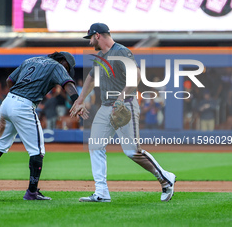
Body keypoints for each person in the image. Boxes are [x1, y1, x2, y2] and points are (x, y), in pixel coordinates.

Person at [71, 23, 176, 202]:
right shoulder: (101, 56)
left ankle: (166, 179)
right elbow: (91, 78)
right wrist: (79, 101)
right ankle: (101, 192)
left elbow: (136, 75)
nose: (89, 42)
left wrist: (120, 97)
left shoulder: (120, 51)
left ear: (97, 35)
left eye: (90, 37)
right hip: (105, 107)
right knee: (95, 145)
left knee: (132, 151)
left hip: (124, 105)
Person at [0, 51, 87, 200]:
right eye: (67, 66)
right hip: (23, 106)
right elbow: (69, 85)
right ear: (62, 60)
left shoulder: (31, 60)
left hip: (7, 103)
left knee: (0, 144)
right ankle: (32, 192)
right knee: (37, 150)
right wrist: (78, 102)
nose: (66, 70)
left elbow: (10, 80)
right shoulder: (56, 65)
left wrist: (19, 93)